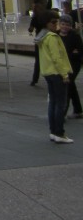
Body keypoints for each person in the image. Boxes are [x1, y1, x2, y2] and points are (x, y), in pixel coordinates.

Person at [36, 11, 74, 143]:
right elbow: (57, 57)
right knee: (60, 104)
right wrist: (64, 74)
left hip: (48, 72)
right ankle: (59, 132)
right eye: (54, 22)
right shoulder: (52, 37)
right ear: (47, 23)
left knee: (53, 102)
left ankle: (53, 131)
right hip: (57, 73)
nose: (56, 24)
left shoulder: (42, 36)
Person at [59, 14, 82, 119]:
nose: (65, 27)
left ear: (71, 26)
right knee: (71, 85)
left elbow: (80, 50)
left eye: (67, 25)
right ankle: (78, 110)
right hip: (62, 64)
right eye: (63, 24)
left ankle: (63, 112)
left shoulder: (74, 35)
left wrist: (74, 53)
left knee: (67, 84)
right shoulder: (56, 35)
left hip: (74, 64)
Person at [28, 0, 47, 86]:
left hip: (39, 39)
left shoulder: (35, 17)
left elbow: (30, 28)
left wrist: (31, 29)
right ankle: (38, 79)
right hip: (46, 38)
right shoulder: (46, 15)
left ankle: (34, 79)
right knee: (43, 60)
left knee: (38, 61)